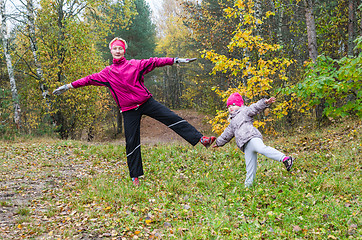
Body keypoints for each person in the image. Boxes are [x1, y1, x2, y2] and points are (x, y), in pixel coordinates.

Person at [53, 37, 216, 186]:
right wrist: (68, 86)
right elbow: (88, 80)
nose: (118, 51)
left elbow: (155, 61)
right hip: (129, 110)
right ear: (111, 51)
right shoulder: (107, 73)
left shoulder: (135, 65)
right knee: (131, 141)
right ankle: (135, 176)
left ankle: (201, 139)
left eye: (120, 49)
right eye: (115, 48)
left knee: (172, 117)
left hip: (146, 102)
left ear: (124, 51)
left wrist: (174, 60)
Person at [212, 92, 293, 187]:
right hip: (245, 145)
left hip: (252, 138)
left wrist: (265, 102)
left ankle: (285, 159)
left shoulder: (245, 111)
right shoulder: (232, 122)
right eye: (229, 106)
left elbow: (255, 107)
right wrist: (218, 143)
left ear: (240, 104)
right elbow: (226, 134)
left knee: (262, 149)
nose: (230, 108)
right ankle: (248, 186)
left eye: (233, 105)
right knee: (250, 166)